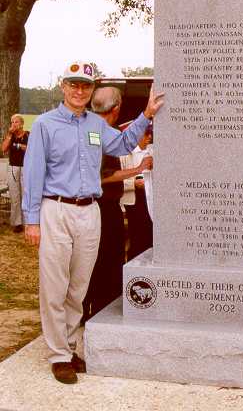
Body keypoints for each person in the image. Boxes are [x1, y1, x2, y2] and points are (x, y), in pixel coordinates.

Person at [22, 61, 164, 384]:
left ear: (91, 90)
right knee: (55, 285)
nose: (79, 90)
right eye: (73, 85)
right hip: (56, 209)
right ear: (63, 86)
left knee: (79, 286)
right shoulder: (45, 125)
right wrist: (32, 221)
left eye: (85, 86)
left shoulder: (95, 127)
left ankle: (69, 346)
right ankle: (58, 355)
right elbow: (33, 174)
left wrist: (147, 114)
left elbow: (125, 144)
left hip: (90, 211)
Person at [82, 86, 153, 323]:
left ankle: (90, 309)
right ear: (117, 108)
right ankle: (102, 311)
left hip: (96, 207)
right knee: (106, 260)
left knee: (94, 260)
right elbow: (101, 174)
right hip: (102, 207)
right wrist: (137, 169)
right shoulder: (99, 132)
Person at [122, 125, 154, 262]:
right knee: (136, 237)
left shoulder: (152, 152)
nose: (149, 138)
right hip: (133, 200)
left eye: (150, 135)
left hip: (150, 198)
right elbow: (115, 180)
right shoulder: (125, 154)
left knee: (150, 235)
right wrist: (133, 184)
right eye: (146, 135)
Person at [1, 114, 29, 232]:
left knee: (25, 195)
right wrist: (9, 134)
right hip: (13, 168)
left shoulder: (28, 134)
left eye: (16, 122)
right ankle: (17, 223)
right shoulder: (11, 136)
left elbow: (30, 148)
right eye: (12, 122)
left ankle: (27, 222)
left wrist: (18, 145)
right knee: (15, 195)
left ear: (21, 124)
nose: (14, 124)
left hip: (25, 168)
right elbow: (3, 149)